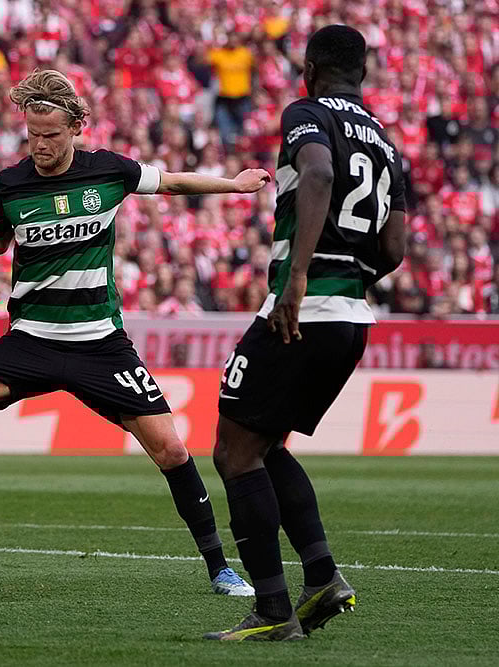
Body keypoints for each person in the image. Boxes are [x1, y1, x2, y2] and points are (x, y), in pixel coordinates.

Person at [0, 69, 271, 597]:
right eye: (32, 135)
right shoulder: (12, 183)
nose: (39, 145)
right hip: (31, 340)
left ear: (78, 126)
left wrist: (234, 185)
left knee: (172, 450)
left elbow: (172, 181)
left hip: (100, 345)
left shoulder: (109, 171)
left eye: (51, 135)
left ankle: (220, 568)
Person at [205, 25, 407, 641]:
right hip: (351, 319)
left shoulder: (306, 113)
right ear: (363, 74)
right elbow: (395, 246)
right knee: (264, 446)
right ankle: (321, 575)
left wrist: (298, 279)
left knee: (234, 451)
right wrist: (351, 271)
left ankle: (272, 612)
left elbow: (316, 174)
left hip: (303, 309)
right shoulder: (388, 143)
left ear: (310, 68)